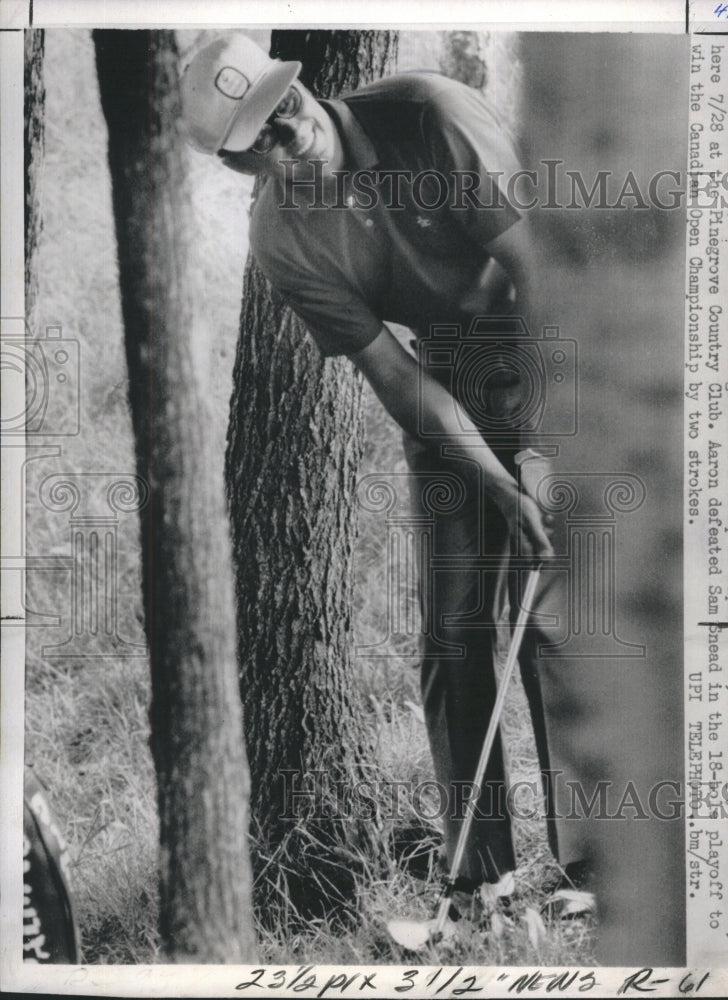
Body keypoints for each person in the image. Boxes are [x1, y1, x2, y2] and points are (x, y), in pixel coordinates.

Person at [180, 33, 595, 927]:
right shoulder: (283, 240)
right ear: (238, 161)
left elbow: (543, 276)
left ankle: (583, 868)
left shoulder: (428, 116)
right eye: (265, 138)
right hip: (441, 373)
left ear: (301, 89)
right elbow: (401, 381)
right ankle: (477, 886)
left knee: (552, 617)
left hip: (539, 336)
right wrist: (495, 482)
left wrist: (549, 448)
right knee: (451, 631)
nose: (293, 136)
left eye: (286, 107)